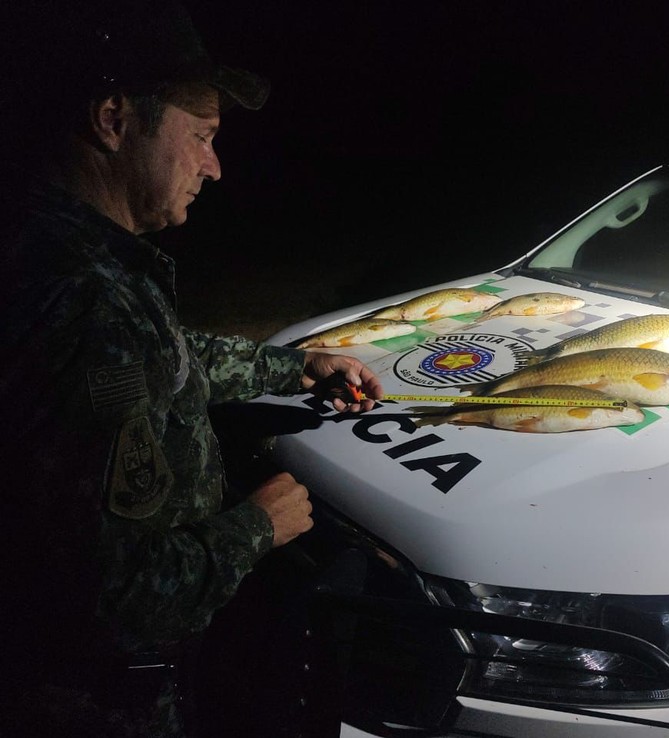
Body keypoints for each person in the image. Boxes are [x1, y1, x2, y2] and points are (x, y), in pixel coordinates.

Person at [0, 2, 383, 736]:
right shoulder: (83, 304)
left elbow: (161, 364)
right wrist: (256, 528)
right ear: (113, 119)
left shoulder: (52, 248)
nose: (214, 166)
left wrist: (292, 367)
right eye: (201, 137)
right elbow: (113, 594)